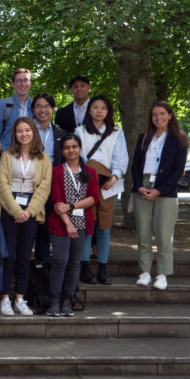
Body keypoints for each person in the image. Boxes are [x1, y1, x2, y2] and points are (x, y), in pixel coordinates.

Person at [0, 117, 52, 315]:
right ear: (15, 134)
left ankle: (20, 298)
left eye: (27, 130)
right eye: (19, 131)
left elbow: (44, 188)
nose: (24, 134)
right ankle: (4, 298)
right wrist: (17, 211)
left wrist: (28, 211)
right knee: (8, 255)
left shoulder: (44, 159)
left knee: (25, 255)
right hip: (9, 208)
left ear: (33, 132)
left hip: (31, 210)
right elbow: (2, 186)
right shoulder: (7, 156)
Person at [130, 101, 189, 290]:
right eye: (154, 114)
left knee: (164, 235)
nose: (158, 118)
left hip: (166, 190)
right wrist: (139, 187)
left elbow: (178, 169)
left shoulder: (178, 139)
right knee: (143, 233)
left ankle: (162, 274)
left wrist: (159, 190)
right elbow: (135, 166)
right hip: (143, 187)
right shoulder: (144, 138)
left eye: (162, 114)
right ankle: (145, 272)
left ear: (170, 115)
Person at [46, 134, 100, 316]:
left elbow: (94, 198)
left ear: (80, 148)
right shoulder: (56, 171)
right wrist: (68, 223)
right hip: (61, 223)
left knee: (75, 263)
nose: (71, 150)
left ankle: (68, 300)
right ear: (62, 151)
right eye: (67, 147)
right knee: (60, 260)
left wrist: (71, 206)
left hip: (82, 222)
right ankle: (54, 299)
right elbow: (56, 200)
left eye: (74, 146)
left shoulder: (90, 172)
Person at [77, 94, 128, 285]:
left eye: (103, 108)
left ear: (108, 111)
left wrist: (114, 177)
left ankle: (102, 267)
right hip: (86, 182)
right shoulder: (80, 131)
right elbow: (78, 156)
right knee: (87, 224)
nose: (99, 111)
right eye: (95, 107)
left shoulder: (116, 132)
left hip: (109, 183)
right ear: (89, 110)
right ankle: (84, 267)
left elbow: (120, 157)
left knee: (104, 225)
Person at [30, 92, 71, 263]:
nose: (43, 110)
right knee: (28, 226)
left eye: (47, 106)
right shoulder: (25, 130)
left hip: (51, 184)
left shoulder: (60, 132)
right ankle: (24, 265)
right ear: (33, 109)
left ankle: (42, 263)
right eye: (39, 106)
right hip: (29, 184)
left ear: (53, 109)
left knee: (45, 226)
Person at [0, 68, 34, 150]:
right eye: (19, 81)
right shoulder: (3, 104)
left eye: (26, 80)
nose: (22, 84)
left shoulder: (35, 105)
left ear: (30, 83)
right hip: (8, 154)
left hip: (31, 154)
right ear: (13, 84)